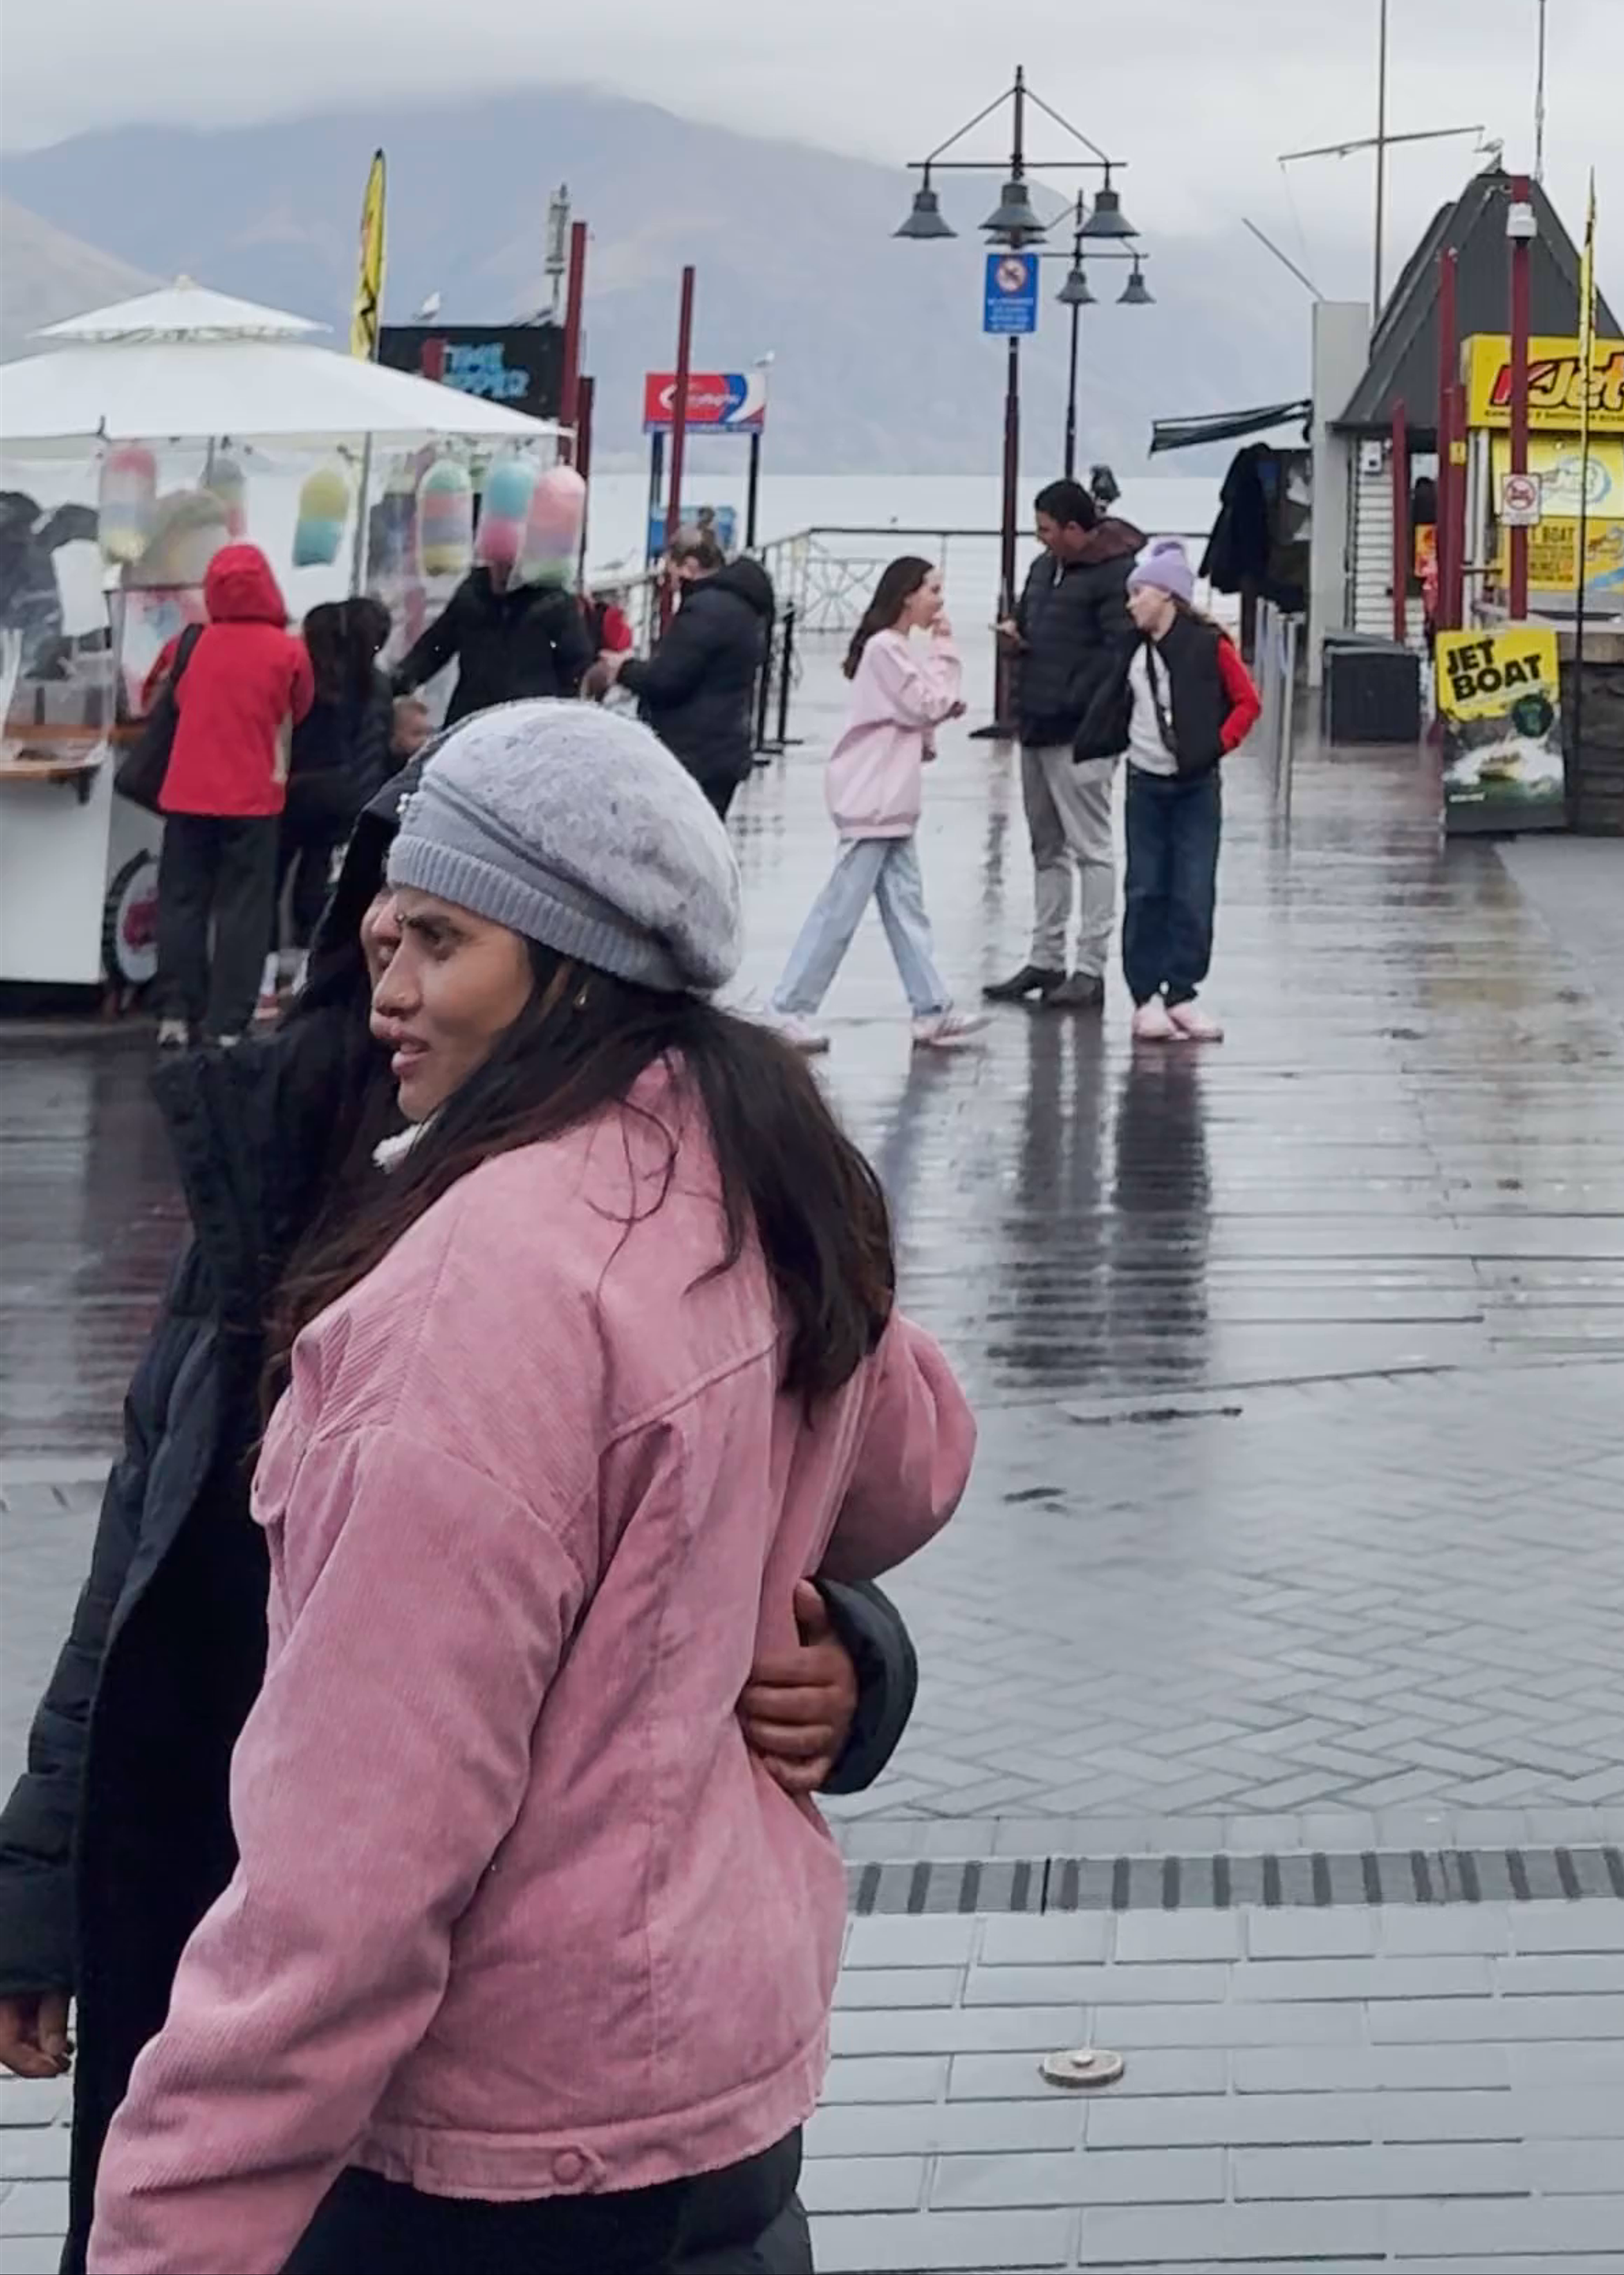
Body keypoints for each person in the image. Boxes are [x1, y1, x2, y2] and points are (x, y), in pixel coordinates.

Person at [82, 702, 972, 2275]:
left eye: (439, 938)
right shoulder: (758, 1169)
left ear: (567, 963)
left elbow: (353, 1873)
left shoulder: (477, 1292)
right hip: (714, 2093)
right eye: (379, 936)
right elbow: (911, 1463)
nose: (387, 990)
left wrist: (167, 2232)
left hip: (491, 2141)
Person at [769, 563, 983, 1054]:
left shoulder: (892, 648)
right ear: (907, 597)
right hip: (876, 797)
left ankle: (930, 1007)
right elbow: (927, 701)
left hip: (890, 798)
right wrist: (947, 654)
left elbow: (919, 703)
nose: (939, 601)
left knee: (904, 905)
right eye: (933, 591)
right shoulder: (886, 648)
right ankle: (789, 1005)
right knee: (841, 907)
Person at [1073, 542, 1259, 1047]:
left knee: (1194, 889)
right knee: (1146, 887)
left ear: (1167, 596)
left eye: (1140, 592)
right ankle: (1144, 995)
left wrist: (1218, 745)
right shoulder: (1128, 647)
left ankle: (1182, 991)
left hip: (1196, 784)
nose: (1130, 602)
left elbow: (1247, 701)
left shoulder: (1209, 645)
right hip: (1145, 782)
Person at [986, 476, 1144, 1009]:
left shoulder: (1115, 573)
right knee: (1046, 846)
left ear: (1076, 528)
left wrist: (1079, 699)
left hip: (1082, 730)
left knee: (1091, 847)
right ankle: (1046, 957)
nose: (1041, 538)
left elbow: (1119, 651)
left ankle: (1092, 967)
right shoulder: (1041, 570)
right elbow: (1036, 625)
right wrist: (1016, 640)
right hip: (1037, 721)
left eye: (1048, 529)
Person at [149, 547, 314, 1051]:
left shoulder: (188, 644)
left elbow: (157, 695)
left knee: (181, 903)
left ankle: (176, 1014)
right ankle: (227, 1022)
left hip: (186, 793)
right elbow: (300, 708)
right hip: (254, 797)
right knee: (245, 910)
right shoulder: (289, 651)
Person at [388, 513, 600, 731]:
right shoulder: (472, 594)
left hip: (528, 724)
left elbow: (576, 668)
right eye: (497, 563)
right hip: (473, 719)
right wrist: (399, 681)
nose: (501, 574)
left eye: (510, 565)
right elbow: (436, 646)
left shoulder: (554, 604)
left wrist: (562, 722)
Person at [617, 529, 776, 818]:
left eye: (671, 573)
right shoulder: (741, 602)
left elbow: (666, 680)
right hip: (723, 748)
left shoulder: (705, 611)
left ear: (689, 566)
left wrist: (622, 669)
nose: (670, 584)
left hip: (695, 754)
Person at [276, 600, 392, 958]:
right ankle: (306, 965)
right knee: (318, 882)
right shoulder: (375, 685)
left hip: (294, 792)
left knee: (270, 882)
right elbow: (375, 747)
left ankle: (265, 972)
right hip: (349, 797)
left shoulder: (305, 678)